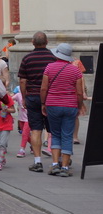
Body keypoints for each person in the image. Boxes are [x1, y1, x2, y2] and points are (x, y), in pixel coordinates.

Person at [41, 43, 85, 177]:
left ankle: (55, 164)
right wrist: (79, 105)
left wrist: (43, 103)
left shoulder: (49, 67)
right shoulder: (75, 70)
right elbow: (79, 92)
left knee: (55, 134)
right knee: (67, 135)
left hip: (53, 104)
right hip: (70, 105)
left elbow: (43, 88)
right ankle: (65, 167)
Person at [17, 31, 55, 173]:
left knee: (36, 130)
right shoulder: (53, 58)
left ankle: (37, 161)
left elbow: (22, 80)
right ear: (46, 42)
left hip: (32, 96)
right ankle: (58, 159)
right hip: (50, 97)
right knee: (54, 129)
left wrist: (24, 97)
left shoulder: (27, 59)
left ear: (33, 42)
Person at [13, 86, 31, 158]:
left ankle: (22, 150)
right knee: (26, 135)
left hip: (29, 119)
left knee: (24, 134)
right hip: (21, 119)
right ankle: (34, 145)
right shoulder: (18, 95)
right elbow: (10, 99)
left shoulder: (30, 95)